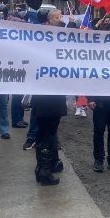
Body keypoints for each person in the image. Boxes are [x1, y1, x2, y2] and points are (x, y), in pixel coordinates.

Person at [30, 10, 68, 186]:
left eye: (61, 17)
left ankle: (48, 164)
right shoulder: (43, 38)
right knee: (46, 133)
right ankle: (44, 171)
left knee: (49, 132)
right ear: (49, 20)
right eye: (56, 18)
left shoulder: (61, 36)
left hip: (54, 95)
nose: (60, 20)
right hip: (46, 97)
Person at [89, 96, 110, 173]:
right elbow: (91, 83)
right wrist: (90, 99)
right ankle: (98, 159)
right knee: (98, 131)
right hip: (99, 102)